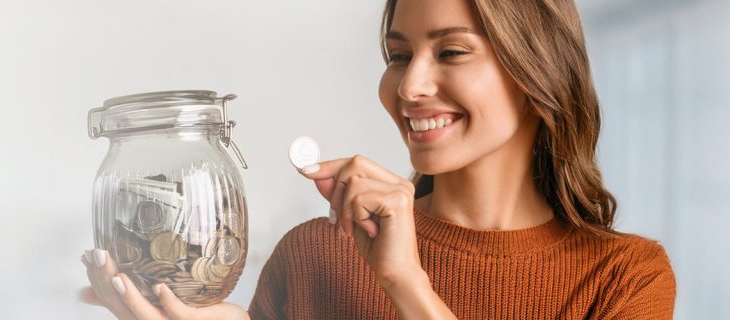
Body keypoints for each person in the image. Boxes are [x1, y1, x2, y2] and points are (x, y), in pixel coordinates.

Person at [80, 0, 677, 318]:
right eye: (398, 54)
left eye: (450, 51)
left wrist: (404, 282)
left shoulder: (625, 279)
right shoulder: (314, 253)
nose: (411, 85)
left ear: (536, 70)